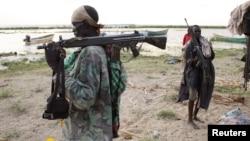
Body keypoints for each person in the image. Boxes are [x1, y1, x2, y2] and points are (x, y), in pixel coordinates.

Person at [45, 5, 127, 140]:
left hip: (87, 133)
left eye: (74, 25)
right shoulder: (103, 47)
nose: (73, 30)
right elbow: (120, 84)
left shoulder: (90, 52)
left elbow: (84, 99)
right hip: (98, 129)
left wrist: (57, 68)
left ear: (84, 24)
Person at [177, 25, 215, 129]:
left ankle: (195, 116)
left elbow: (211, 56)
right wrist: (195, 61)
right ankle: (189, 119)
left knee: (201, 94)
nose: (198, 33)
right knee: (192, 96)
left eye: (199, 31)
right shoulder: (190, 45)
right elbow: (187, 60)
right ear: (192, 32)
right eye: (196, 31)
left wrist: (210, 49)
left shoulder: (204, 42)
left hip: (203, 73)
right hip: (193, 74)